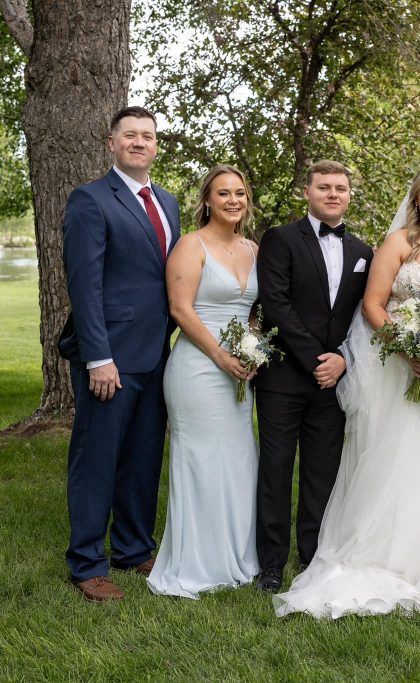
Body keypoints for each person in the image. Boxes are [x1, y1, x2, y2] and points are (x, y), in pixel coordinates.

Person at [273, 165, 420, 620]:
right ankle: (381, 549)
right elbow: (372, 305)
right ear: (416, 198)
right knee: (396, 456)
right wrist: (409, 350)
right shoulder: (400, 242)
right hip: (399, 370)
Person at [58, 106, 180, 601]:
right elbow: (84, 287)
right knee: (98, 459)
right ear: (111, 143)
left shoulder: (168, 202)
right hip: (110, 357)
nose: (139, 142)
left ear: (155, 146)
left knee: (144, 457)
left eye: (147, 136)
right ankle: (88, 563)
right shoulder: (90, 200)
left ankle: (133, 549)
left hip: (157, 354)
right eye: (130, 135)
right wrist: (97, 357)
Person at [254, 161, 373, 593]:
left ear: (349, 195)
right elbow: (276, 302)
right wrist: (314, 358)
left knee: (322, 473)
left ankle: (313, 557)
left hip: (334, 382)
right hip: (284, 377)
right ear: (307, 192)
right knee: (276, 468)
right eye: (324, 187)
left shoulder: (363, 251)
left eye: (340, 188)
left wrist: (341, 360)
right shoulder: (281, 239)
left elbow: (363, 316)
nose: (333, 194)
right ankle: (270, 562)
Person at [147, 166, 261, 599]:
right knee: (199, 461)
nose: (233, 201)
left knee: (236, 460)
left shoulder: (252, 248)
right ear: (207, 201)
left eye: (240, 193)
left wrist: (251, 350)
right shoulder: (189, 246)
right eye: (223, 194)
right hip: (197, 367)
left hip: (239, 369)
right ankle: (196, 561)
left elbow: (250, 311)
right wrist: (220, 355)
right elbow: (181, 310)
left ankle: (236, 555)